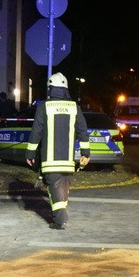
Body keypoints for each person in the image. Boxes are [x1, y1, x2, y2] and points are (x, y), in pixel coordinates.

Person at [25, 72, 89, 230]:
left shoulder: (44, 107)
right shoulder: (74, 107)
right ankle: (60, 215)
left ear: (50, 89)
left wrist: (30, 154)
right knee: (63, 190)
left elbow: (36, 132)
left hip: (50, 160)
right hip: (68, 161)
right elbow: (83, 131)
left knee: (55, 190)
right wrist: (85, 153)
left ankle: (60, 220)